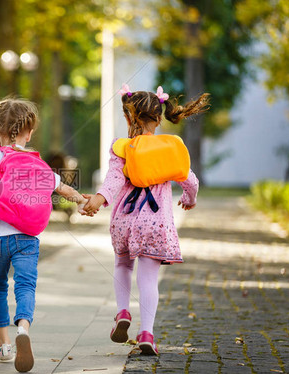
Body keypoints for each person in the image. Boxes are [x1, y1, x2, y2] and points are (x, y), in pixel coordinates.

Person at [82, 84, 210, 355]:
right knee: (149, 279)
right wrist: (190, 198)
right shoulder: (169, 149)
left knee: (123, 266)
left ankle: (123, 312)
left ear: (129, 118)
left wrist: (99, 199)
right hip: (155, 221)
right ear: (160, 118)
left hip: (125, 221)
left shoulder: (122, 147)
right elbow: (191, 180)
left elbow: (114, 179)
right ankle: (147, 333)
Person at [0, 97, 87, 372]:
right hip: (27, 239)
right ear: (28, 132)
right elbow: (63, 190)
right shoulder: (36, 164)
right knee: (26, 286)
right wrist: (82, 201)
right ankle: (23, 329)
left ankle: (4, 344)